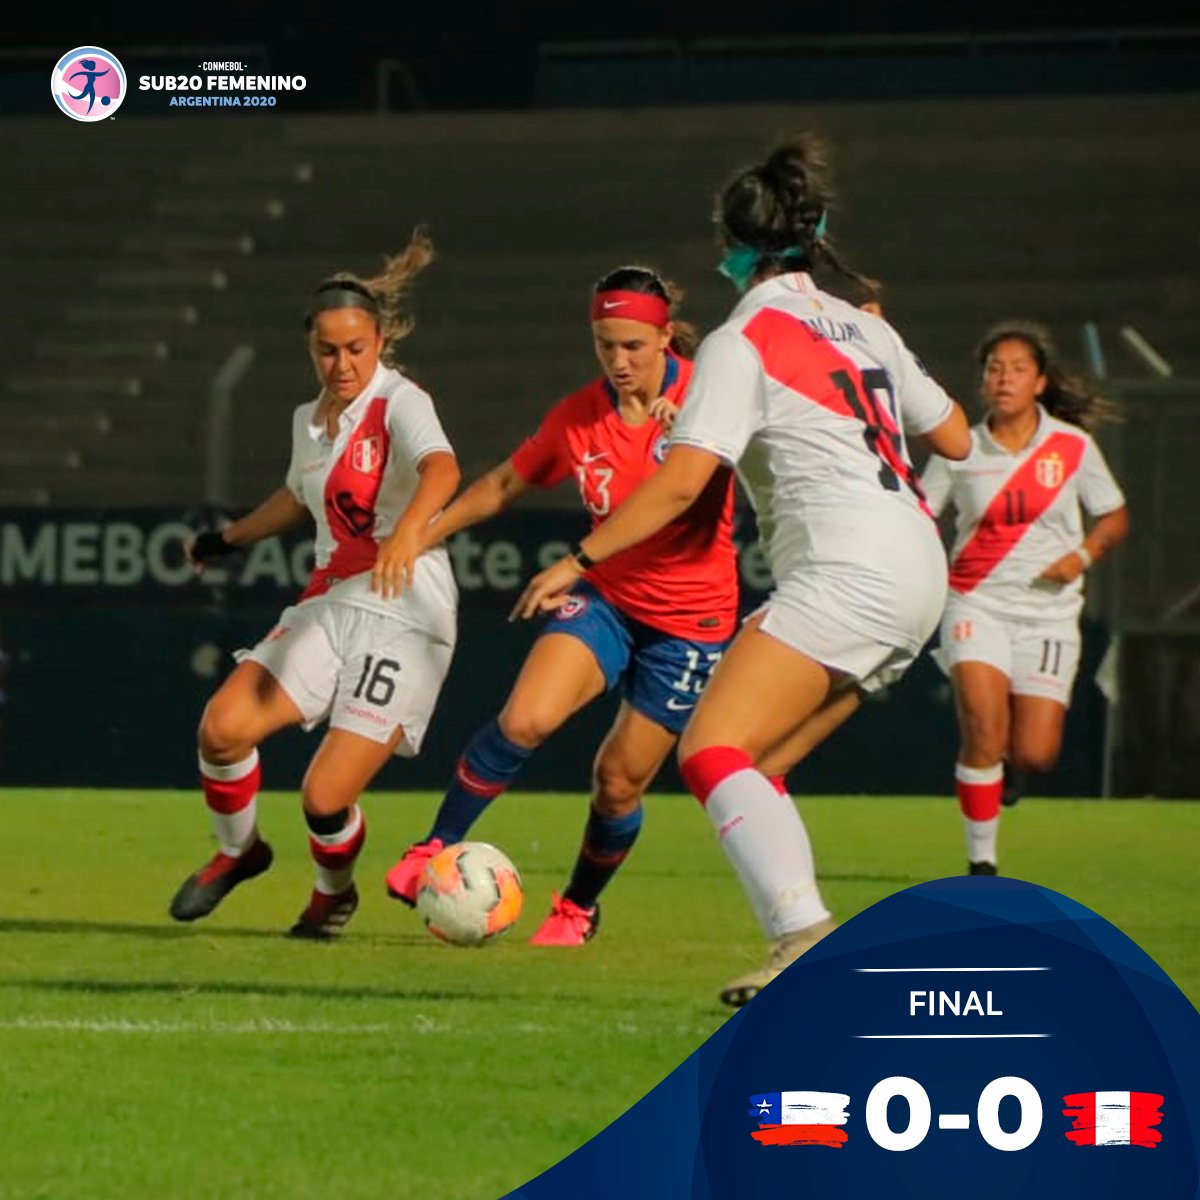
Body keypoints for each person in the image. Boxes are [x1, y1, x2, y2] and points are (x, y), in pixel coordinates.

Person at [512, 134, 972, 1005]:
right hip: (917, 566)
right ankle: (807, 943)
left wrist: (579, 557)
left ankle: (804, 941)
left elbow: (684, 481)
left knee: (711, 749)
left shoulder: (743, 339)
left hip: (849, 571)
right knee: (756, 764)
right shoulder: (866, 327)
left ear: (729, 247)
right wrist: (881, 348)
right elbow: (953, 438)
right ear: (818, 228)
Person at [382, 265, 740, 945]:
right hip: (610, 599)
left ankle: (577, 905)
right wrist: (420, 533)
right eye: (605, 344)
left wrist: (692, 431)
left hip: (690, 627)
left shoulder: (708, 403)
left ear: (666, 338)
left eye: (633, 345)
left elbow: (704, 486)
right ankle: (434, 847)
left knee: (617, 783)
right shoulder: (582, 415)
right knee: (526, 717)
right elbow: (504, 483)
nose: (618, 360)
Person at [169, 229, 461, 938]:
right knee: (223, 728)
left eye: (355, 348)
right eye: (327, 350)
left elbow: (442, 471)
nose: (342, 363)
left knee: (324, 795)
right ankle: (239, 852)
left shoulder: (400, 400)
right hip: (334, 599)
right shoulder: (311, 419)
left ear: (380, 339)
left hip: (407, 607)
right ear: (311, 347)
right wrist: (228, 538)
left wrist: (410, 532)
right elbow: (299, 497)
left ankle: (333, 893)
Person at [921, 319, 1129, 875]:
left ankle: (1010, 769)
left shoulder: (1072, 447)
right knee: (983, 730)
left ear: (1039, 382)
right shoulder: (960, 447)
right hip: (976, 603)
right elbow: (921, 513)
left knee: (1036, 752)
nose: (1004, 379)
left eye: (1017, 369)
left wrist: (1081, 557)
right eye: (994, 369)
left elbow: (1113, 514)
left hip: (1049, 616)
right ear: (983, 382)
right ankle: (982, 864)